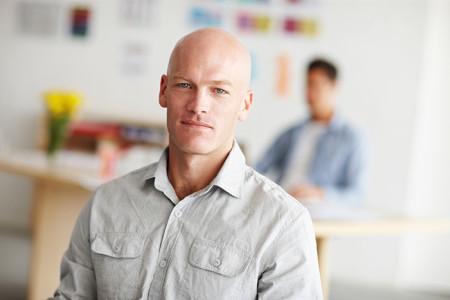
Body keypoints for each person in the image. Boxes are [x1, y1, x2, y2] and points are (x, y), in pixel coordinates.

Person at [50, 28, 322, 299]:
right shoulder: (105, 202)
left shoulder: (283, 224)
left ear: (245, 105)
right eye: (184, 85)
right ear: (163, 91)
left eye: (219, 90)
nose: (198, 105)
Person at [256, 58, 370, 205]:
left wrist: (321, 194)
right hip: (281, 202)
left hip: (315, 211)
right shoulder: (291, 133)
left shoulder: (353, 139)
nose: (309, 93)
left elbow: (357, 194)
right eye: (307, 85)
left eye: (315, 86)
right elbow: (258, 168)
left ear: (333, 86)